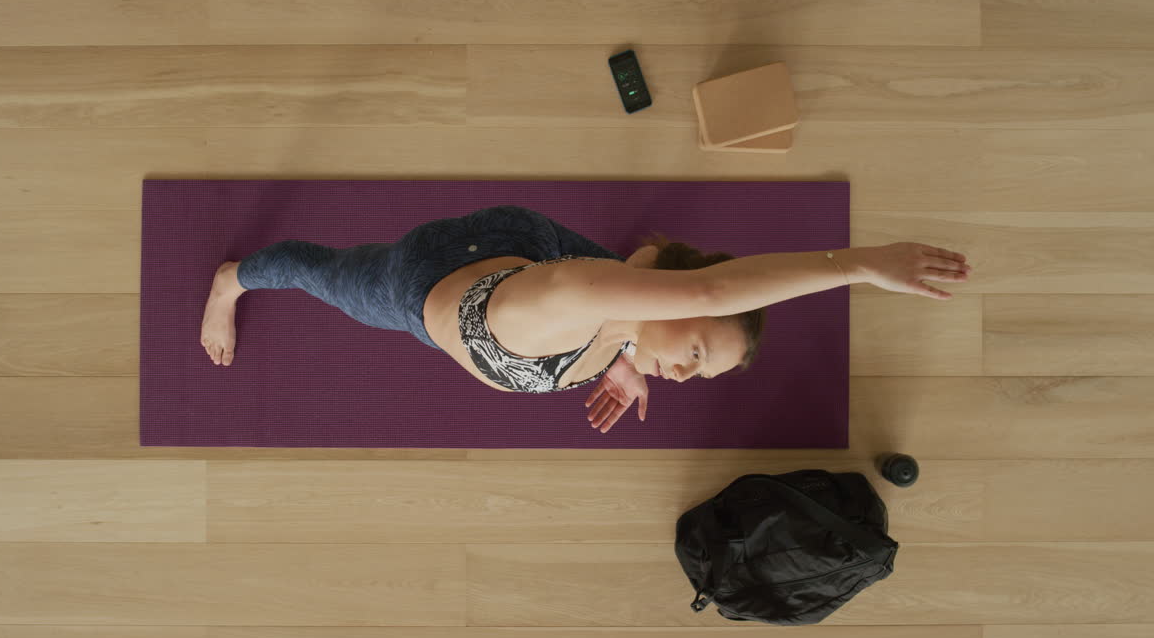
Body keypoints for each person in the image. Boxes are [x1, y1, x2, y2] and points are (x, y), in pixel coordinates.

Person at [200, 205, 971, 434]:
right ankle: (234, 278)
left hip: (544, 251)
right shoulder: (565, 306)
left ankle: (650, 256)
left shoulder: (616, 324)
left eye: (701, 372)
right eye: (697, 354)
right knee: (325, 274)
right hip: (428, 277)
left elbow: (691, 304)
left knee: (615, 283)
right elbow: (704, 297)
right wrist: (862, 264)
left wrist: (627, 356)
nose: (687, 375)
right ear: (690, 297)